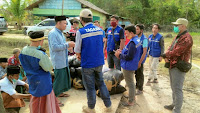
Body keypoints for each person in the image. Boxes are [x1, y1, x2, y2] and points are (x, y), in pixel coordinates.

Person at [74, 9, 112, 113]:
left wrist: (79, 56)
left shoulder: (80, 32)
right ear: (91, 19)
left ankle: (91, 108)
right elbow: (101, 45)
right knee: (101, 83)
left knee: (90, 87)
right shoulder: (100, 30)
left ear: (81, 20)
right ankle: (108, 106)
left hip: (87, 64)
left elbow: (77, 50)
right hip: (99, 62)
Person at [19, 31, 61, 113]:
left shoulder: (23, 51)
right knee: (45, 103)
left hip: (31, 79)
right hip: (43, 81)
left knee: (35, 100)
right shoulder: (40, 54)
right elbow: (48, 68)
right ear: (40, 41)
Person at [162, 18, 193, 113]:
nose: (175, 27)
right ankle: (174, 104)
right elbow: (171, 47)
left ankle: (177, 110)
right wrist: (166, 55)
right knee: (173, 87)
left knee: (177, 88)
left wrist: (165, 55)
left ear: (183, 26)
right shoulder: (178, 36)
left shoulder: (187, 38)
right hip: (173, 64)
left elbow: (177, 52)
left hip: (179, 66)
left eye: (177, 25)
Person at [48, 16, 75, 103]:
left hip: (63, 60)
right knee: (58, 80)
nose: (65, 25)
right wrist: (68, 45)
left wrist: (68, 47)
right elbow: (54, 47)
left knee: (63, 78)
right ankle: (53, 99)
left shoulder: (60, 33)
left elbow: (61, 45)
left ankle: (59, 93)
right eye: (64, 23)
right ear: (58, 23)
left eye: (66, 24)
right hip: (58, 61)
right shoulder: (53, 33)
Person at [115, 25, 142, 106]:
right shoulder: (136, 40)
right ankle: (132, 97)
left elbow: (129, 56)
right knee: (131, 82)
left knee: (130, 83)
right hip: (132, 64)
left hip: (128, 66)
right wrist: (122, 51)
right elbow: (130, 52)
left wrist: (119, 55)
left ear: (131, 32)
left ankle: (131, 101)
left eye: (127, 34)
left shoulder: (132, 43)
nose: (126, 36)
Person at [135, 24, 148, 95]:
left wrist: (140, 62)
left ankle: (140, 88)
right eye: (135, 29)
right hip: (135, 60)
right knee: (136, 74)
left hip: (140, 60)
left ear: (141, 30)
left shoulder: (144, 39)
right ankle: (137, 85)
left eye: (137, 29)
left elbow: (144, 52)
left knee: (140, 74)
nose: (136, 30)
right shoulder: (136, 37)